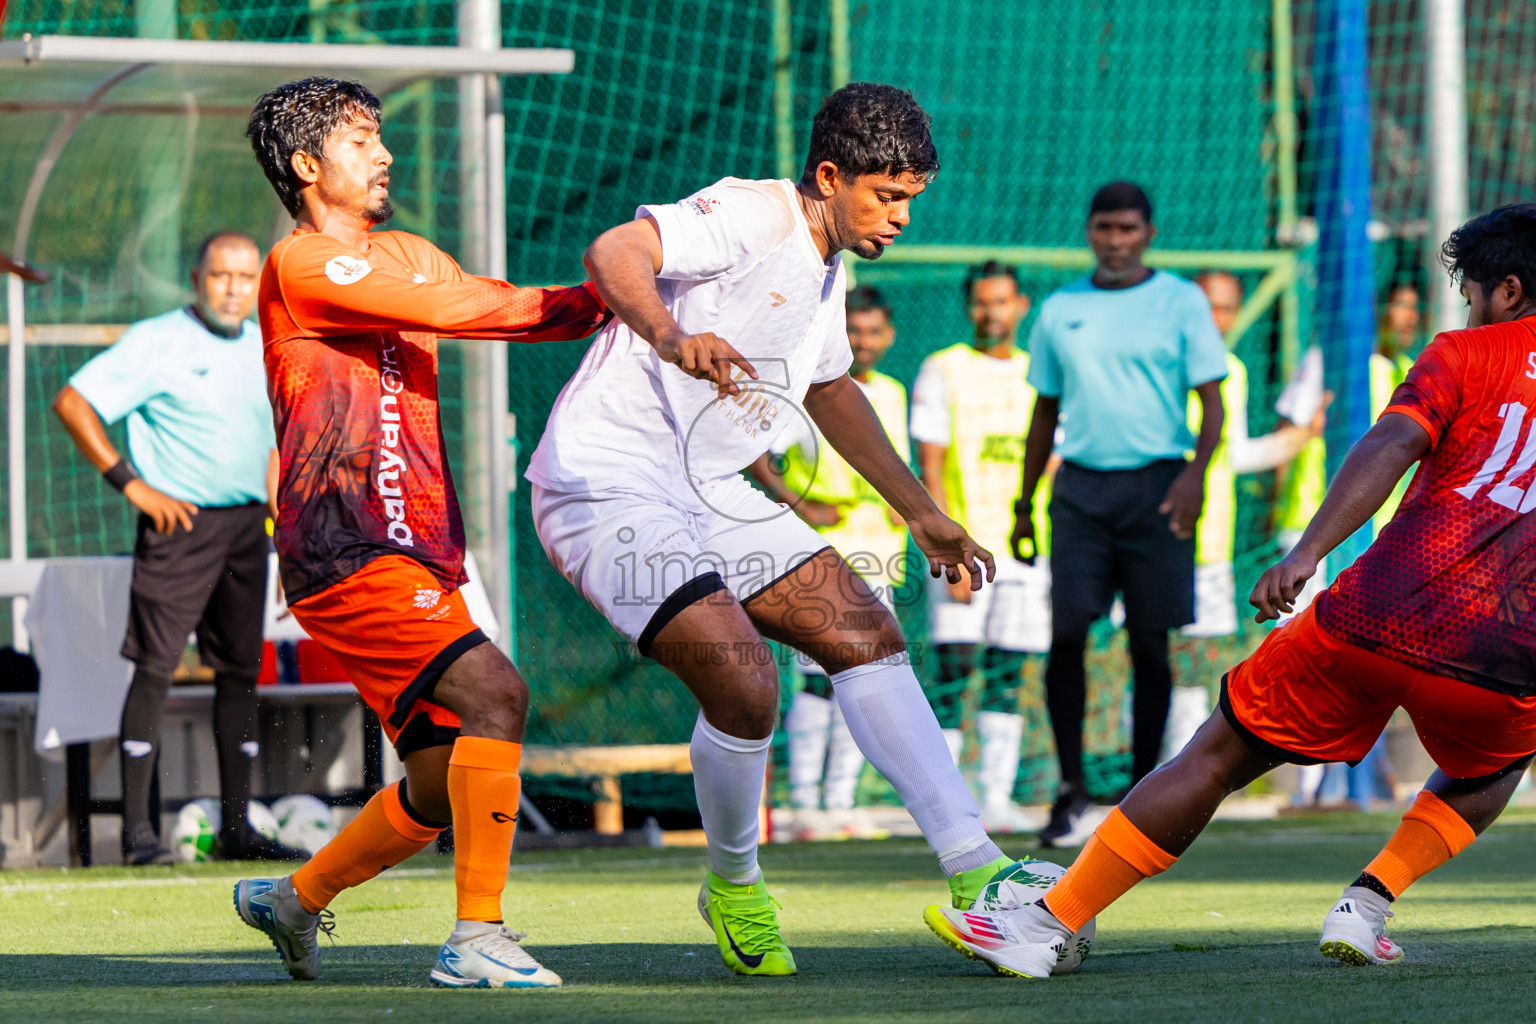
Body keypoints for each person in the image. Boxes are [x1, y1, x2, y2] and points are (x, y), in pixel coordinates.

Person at [925, 203, 1536, 977]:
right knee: (1494, 767)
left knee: (1216, 753)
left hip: (1378, 614)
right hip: (1505, 656)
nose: (1471, 309)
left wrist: (1309, 552)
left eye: (1474, 293)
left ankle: (1047, 922)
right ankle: (1369, 902)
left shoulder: (1467, 353)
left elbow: (1390, 440)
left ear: (1508, 292)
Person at [527, 82, 1013, 978]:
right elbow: (614, 249)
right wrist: (671, 334)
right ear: (830, 176)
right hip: (607, 484)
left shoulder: (834, 265)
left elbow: (830, 389)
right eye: (888, 195)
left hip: (713, 490)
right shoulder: (755, 213)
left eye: (913, 196)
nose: (902, 215)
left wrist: (924, 514)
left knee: (866, 632)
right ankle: (735, 883)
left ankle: (980, 875)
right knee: (746, 682)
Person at [230, 77, 609, 990]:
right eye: (362, 140)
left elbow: (483, 295)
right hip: (348, 550)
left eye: (381, 136)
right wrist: (612, 298)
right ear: (308, 165)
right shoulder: (302, 265)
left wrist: (610, 301)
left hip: (419, 551)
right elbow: (459, 311)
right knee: (499, 698)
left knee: (441, 783)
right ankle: (476, 936)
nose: (386, 153)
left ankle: (294, 898)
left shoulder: (399, 250)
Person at [52, 230, 305, 866]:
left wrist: (285, 524)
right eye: (221, 276)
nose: (234, 290)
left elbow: (274, 444)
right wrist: (131, 485)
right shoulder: (157, 341)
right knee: (156, 669)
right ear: (196, 278)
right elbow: (73, 402)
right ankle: (138, 835)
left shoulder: (265, 346)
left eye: (247, 279)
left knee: (241, 673)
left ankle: (238, 829)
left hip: (250, 528)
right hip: (179, 526)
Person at [1009, 182, 1228, 848]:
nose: (1115, 239)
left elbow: (1212, 406)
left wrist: (1194, 476)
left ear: (1148, 233)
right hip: (1079, 494)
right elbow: (1044, 413)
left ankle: (1142, 790)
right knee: (1069, 631)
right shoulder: (1059, 309)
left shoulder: (1182, 301)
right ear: (1089, 231)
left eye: (1128, 228)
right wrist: (1023, 505)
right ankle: (1071, 790)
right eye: (1104, 227)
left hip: (1158, 488)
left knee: (1149, 644)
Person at [749, 284, 909, 826]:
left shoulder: (892, 393)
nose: (862, 341)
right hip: (819, 553)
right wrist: (801, 503)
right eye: (853, 329)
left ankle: (840, 801)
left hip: (881, 554)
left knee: (867, 676)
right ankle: (803, 801)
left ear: (888, 337)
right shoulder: (809, 391)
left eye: (872, 331)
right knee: (817, 679)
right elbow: (756, 453)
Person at [910, 261, 1052, 831]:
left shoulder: (1041, 374)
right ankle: (945, 803)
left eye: (1001, 301)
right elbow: (931, 468)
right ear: (970, 308)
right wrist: (949, 549)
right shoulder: (942, 369)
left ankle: (994, 796)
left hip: (1026, 552)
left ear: (1020, 305)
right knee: (954, 668)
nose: (991, 312)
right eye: (981, 302)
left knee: (1009, 671)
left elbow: (1056, 463)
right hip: (964, 551)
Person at [1182, 270, 1324, 641]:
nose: (1216, 318)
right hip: (1159, 537)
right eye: (1206, 306)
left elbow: (1238, 455)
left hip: (1211, 539)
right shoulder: (1162, 365)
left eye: (1226, 309)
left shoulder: (1233, 371)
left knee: (1197, 655)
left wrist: (1304, 433)